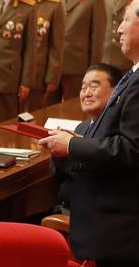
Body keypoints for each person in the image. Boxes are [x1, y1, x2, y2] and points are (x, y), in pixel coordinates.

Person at [40, 0, 139, 267]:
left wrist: (72, 145)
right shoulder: (131, 76)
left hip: (123, 228)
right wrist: (74, 144)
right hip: (115, 228)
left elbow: (131, 150)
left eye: (126, 20)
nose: (120, 28)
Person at [52, 63, 121, 212]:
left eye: (93, 87)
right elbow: (59, 174)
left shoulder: (117, 132)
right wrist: (58, 152)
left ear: (116, 91)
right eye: (83, 88)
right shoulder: (82, 127)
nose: (86, 93)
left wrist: (73, 147)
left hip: (91, 214)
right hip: (65, 206)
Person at [43, 0, 106, 101]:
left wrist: (94, 69)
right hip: (50, 64)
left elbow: (97, 37)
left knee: (75, 108)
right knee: (44, 108)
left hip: (78, 66)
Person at [19, 0, 65, 111]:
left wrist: (52, 77)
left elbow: (56, 45)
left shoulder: (52, 5)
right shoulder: (12, 3)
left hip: (38, 75)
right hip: (10, 75)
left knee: (33, 118)